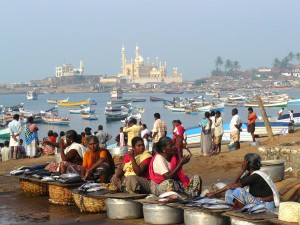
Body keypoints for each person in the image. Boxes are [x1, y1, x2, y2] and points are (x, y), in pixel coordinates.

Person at [205, 153, 279, 211]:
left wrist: (242, 170)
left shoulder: (255, 176)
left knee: (239, 191)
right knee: (230, 191)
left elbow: (236, 187)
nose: (242, 163)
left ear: (247, 163)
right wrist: (213, 193)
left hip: (265, 204)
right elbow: (234, 185)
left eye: (244, 161)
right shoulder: (250, 175)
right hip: (258, 201)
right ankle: (232, 208)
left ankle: (241, 211)